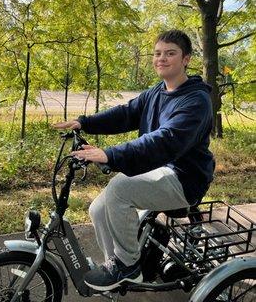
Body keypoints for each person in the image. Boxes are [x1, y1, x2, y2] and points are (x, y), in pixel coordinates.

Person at [54, 29, 215, 292]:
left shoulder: (195, 100)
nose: (161, 58)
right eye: (157, 53)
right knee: (97, 209)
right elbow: (126, 113)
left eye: (170, 53)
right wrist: (84, 122)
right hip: (159, 170)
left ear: (186, 59)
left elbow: (165, 140)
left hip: (185, 178)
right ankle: (115, 265)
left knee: (119, 189)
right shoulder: (157, 92)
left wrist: (111, 154)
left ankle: (128, 266)